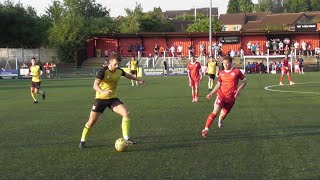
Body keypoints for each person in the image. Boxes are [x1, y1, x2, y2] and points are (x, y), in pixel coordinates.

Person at [79, 54, 145, 149]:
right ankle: (82, 140)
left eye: (118, 64)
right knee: (92, 121)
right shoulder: (103, 71)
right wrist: (103, 92)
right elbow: (95, 85)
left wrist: (138, 80)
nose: (117, 66)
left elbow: (128, 75)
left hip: (112, 99)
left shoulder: (119, 71)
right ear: (110, 62)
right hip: (100, 99)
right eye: (115, 64)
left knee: (126, 113)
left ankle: (126, 138)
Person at [201, 56, 246, 137]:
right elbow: (218, 84)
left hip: (231, 99)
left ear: (230, 63)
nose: (225, 65)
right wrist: (211, 93)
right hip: (221, 96)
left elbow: (244, 82)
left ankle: (220, 119)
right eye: (224, 63)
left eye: (227, 63)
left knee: (222, 115)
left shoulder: (236, 72)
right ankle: (206, 129)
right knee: (215, 112)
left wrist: (238, 90)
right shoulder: (221, 73)